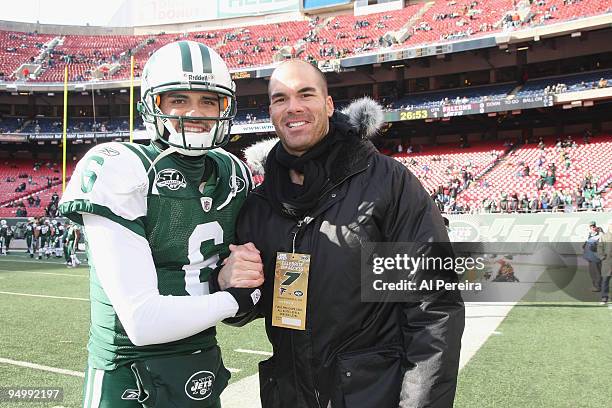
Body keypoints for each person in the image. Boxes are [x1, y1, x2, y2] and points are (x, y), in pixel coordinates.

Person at [219, 60, 465, 408]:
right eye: (280, 98)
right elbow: (251, 307)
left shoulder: (385, 184)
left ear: (330, 104)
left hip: (371, 394)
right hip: (290, 395)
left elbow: (432, 309)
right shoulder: (260, 202)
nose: (294, 107)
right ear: (271, 112)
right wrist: (232, 285)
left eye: (306, 94)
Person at [59, 41, 263, 408]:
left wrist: (236, 278)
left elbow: (236, 282)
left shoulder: (234, 173)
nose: (195, 112)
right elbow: (142, 322)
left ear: (225, 106)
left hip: (202, 364)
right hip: (130, 373)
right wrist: (235, 299)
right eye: (179, 99)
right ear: (154, 105)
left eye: (208, 100)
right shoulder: (122, 167)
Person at [583, 221, 602, 292]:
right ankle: (597, 286)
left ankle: (597, 287)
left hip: (596, 257)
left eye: (593, 226)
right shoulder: (590, 235)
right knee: (593, 272)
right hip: (590, 257)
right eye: (591, 226)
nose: (592, 228)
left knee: (596, 272)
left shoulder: (600, 235)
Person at [596, 220, 612, 304]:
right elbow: (599, 248)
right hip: (607, 262)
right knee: (605, 280)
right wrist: (602, 257)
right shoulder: (604, 237)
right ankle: (604, 298)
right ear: (609, 226)